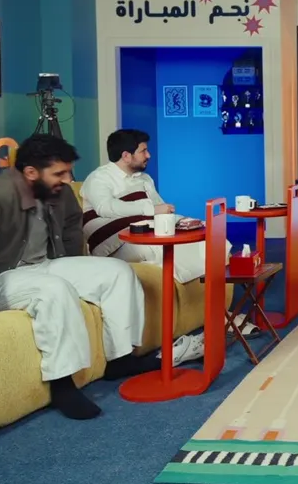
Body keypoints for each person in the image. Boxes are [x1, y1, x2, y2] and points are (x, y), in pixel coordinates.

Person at [0, 135, 159, 420]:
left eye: (68, 172)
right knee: (54, 290)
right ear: (30, 172)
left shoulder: (57, 192)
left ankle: (121, 359)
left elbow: (72, 226)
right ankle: (62, 386)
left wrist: (74, 265)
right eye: (59, 173)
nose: (67, 180)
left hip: (39, 265)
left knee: (118, 272)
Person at [80, 129, 242, 358]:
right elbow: (106, 208)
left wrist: (179, 220)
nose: (148, 155)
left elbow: (160, 209)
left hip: (149, 229)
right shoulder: (99, 178)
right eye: (143, 150)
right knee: (161, 248)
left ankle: (218, 314)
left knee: (214, 239)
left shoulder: (144, 179)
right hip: (117, 242)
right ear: (126, 155)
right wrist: (150, 209)